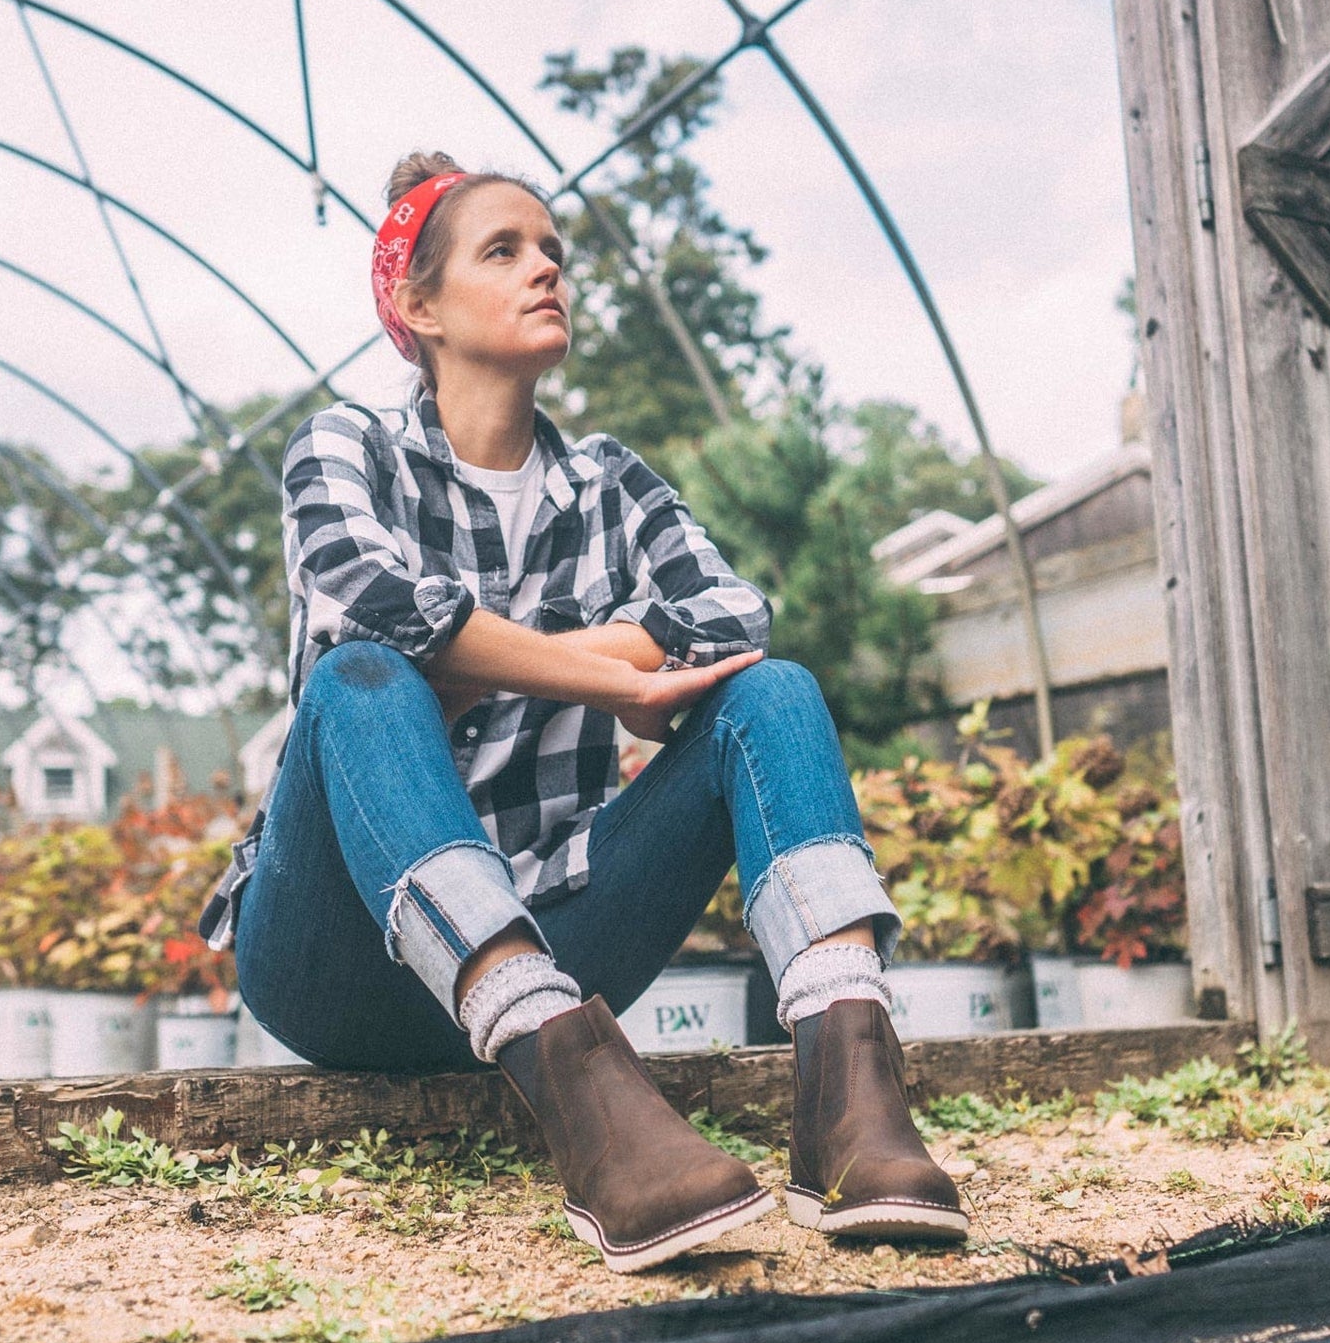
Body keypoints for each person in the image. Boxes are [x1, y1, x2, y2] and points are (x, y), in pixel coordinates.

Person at [198, 151, 966, 1271]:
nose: (546, 268)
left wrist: (485, 660)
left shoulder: (611, 482)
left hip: (558, 933)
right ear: (418, 307)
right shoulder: (345, 446)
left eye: (554, 249)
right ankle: (586, 1104)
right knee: (358, 681)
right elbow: (373, 608)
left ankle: (847, 1098)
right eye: (503, 250)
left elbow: (728, 619)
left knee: (773, 690)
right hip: (335, 959)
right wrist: (614, 674)